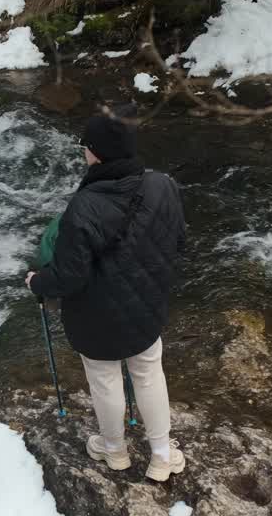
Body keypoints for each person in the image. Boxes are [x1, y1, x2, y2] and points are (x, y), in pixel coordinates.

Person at [25, 104, 187, 482]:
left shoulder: (84, 207)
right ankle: (162, 456)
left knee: (105, 380)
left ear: (96, 153)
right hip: (146, 308)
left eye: (86, 145)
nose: (83, 151)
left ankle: (115, 451)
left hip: (94, 318)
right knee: (148, 373)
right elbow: (178, 240)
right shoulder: (162, 184)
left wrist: (37, 282)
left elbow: (67, 278)